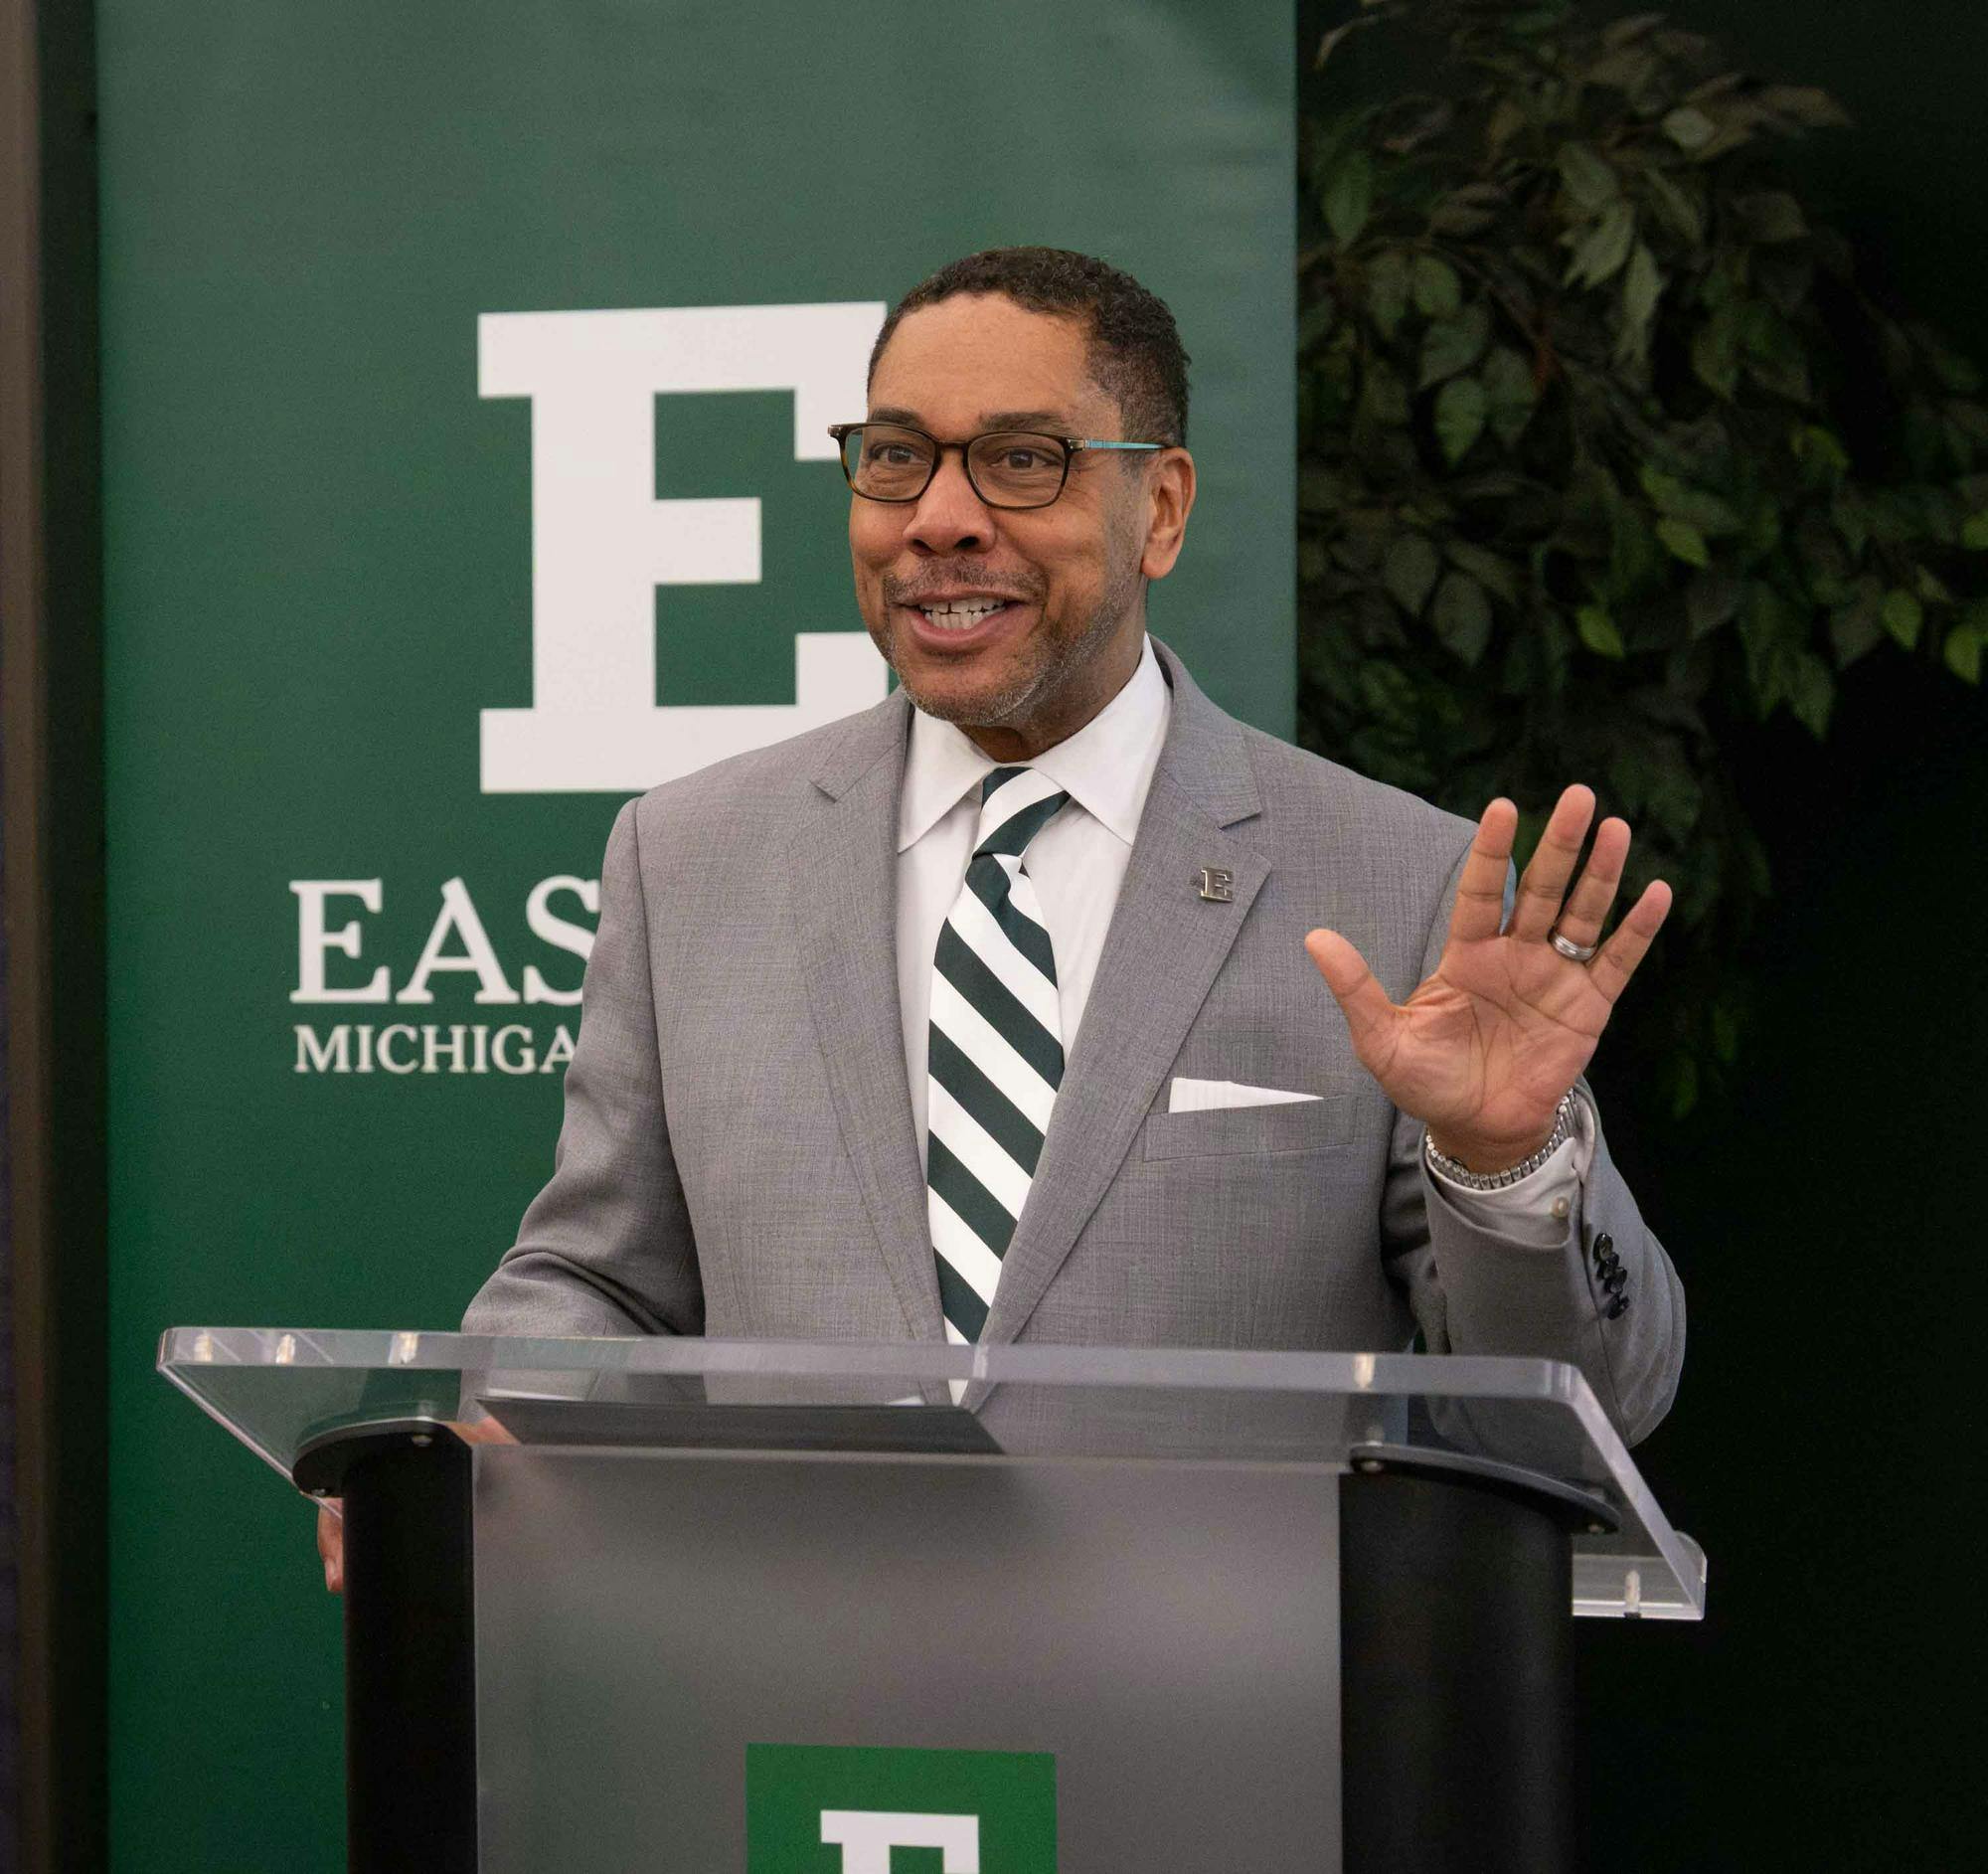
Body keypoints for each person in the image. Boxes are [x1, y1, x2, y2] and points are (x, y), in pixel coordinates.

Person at [319, 247, 1683, 1587]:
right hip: (787, 1720)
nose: (939, 517)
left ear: (1160, 509)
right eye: (896, 456)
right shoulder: (687, 859)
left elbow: (1585, 1406)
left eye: (1021, 459)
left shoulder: (1397, 883)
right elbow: (598, 1282)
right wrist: (503, 1420)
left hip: (1231, 1743)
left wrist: (1504, 1160)